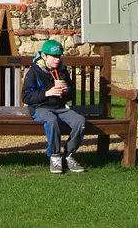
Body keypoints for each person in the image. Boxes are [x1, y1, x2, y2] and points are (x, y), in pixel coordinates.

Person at [22, 38, 86, 174]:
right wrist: (47, 93)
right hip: (40, 108)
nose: (57, 59)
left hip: (60, 107)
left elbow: (72, 93)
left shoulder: (62, 70)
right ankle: (55, 156)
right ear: (44, 56)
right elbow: (26, 96)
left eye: (59, 56)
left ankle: (69, 155)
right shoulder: (34, 72)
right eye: (54, 56)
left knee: (79, 122)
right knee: (52, 121)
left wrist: (67, 91)